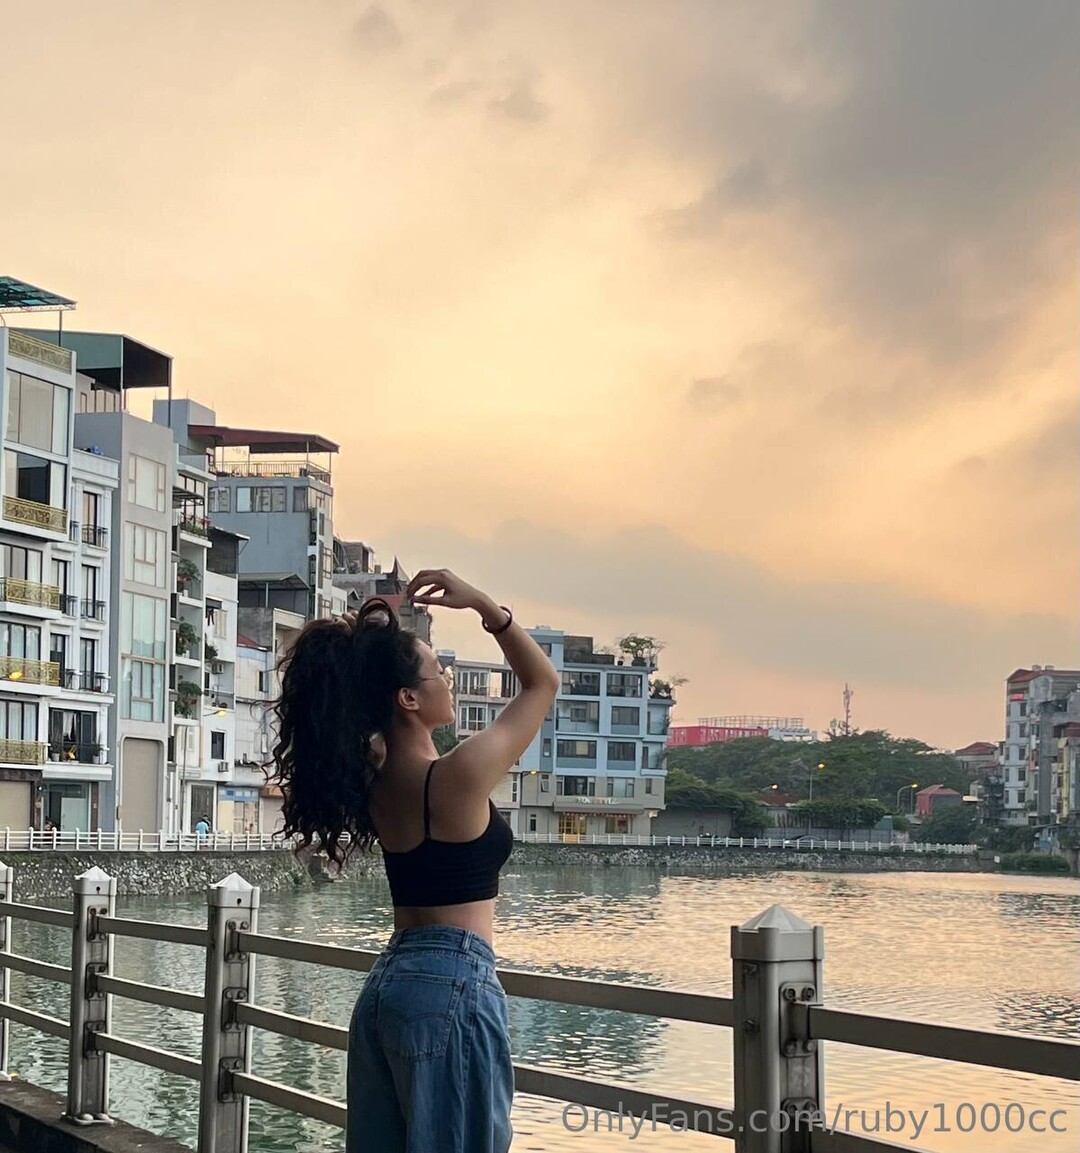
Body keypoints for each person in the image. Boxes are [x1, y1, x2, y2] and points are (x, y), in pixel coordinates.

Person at [270, 571, 558, 1153]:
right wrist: (486, 606)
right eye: (437, 671)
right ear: (408, 698)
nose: (447, 679)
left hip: (388, 987)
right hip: (451, 986)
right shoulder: (458, 775)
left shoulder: (372, 778)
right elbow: (542, 684)